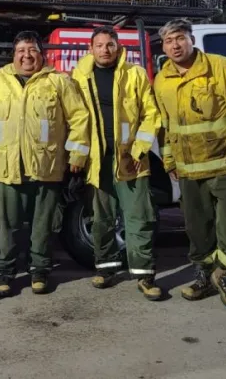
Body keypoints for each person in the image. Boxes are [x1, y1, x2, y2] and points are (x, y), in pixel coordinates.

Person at [152, 18, 226, 310]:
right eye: (168, 40)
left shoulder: (221, 67)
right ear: (163, 46)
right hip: (189, 171)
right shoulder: (162, 80)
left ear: (192, 40)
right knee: (197, 229)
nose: (175, 45)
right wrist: (169, 161)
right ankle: (203, 278)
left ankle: (225, 276)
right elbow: (165, 126)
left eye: (180, 38)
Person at [0, 31, 90, 296]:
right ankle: (5, 271)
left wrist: (77, 155)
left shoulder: (58, 81)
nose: (27, 55)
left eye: (32, 50)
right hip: (8, 167)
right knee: (6, 226)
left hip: (47, 167)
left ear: (41, 53)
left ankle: (40, 270)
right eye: (21, 50)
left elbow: (79, 118)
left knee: (42, 224)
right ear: (13, 54)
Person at [70, 27, 162, 300]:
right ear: (91, 48)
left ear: (118, 47)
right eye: (99, 45)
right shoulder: (79, 77)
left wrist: (139, 149)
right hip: (98, 161)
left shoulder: (135, 75)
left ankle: (144, 275)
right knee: (101, 219)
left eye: (110, 44)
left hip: (131, 160)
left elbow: (151, 113)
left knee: (139, 218)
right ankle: (106, 268)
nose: (105, 50)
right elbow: (73, 116)